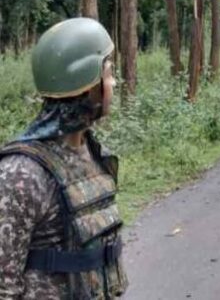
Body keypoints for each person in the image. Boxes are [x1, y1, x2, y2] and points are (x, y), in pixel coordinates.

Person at [0, 18, 127, 300]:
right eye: (108, 73)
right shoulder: (21, 173)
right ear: (87, 84)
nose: (114, 82)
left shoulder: (92, 153)